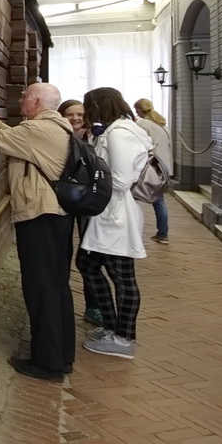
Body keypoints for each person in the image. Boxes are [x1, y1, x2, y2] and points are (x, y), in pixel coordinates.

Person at [0, 83, 75, 382]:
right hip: (56, 216)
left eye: (25, 95)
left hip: (40, 216)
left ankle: (47, 363)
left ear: (37, 101)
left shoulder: (39, 130)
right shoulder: (52, 127)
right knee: (56, 287)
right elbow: (14, 139)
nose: (21, 99)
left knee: (41, 289)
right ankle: (61, 355)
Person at [78, 87, 151, 360]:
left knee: (123, 277)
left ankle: (124, 338)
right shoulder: (112, 130)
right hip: (107, 212)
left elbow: (120, 179)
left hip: (116, 214)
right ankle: (111, 326)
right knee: (88, 264)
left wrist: (91, 177)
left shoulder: (120, 134)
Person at [60, 98, 103, 328]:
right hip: (63, 198)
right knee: (61, 250)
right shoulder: (57, 136)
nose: (75, 119)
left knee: (89, 252)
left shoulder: (96, 137)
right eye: (70, 115)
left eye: (79, 114)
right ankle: (61, 299)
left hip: (87, 200)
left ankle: (93, 305)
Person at [134, 98, 173, 244]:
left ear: (138, 110)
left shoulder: (143, 124)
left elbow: (138, 143)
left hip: (150, 167)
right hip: (164, 167)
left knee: (133, 196)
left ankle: (134, 231)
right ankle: (162, 233)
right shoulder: (162, 125)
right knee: (159, 200)